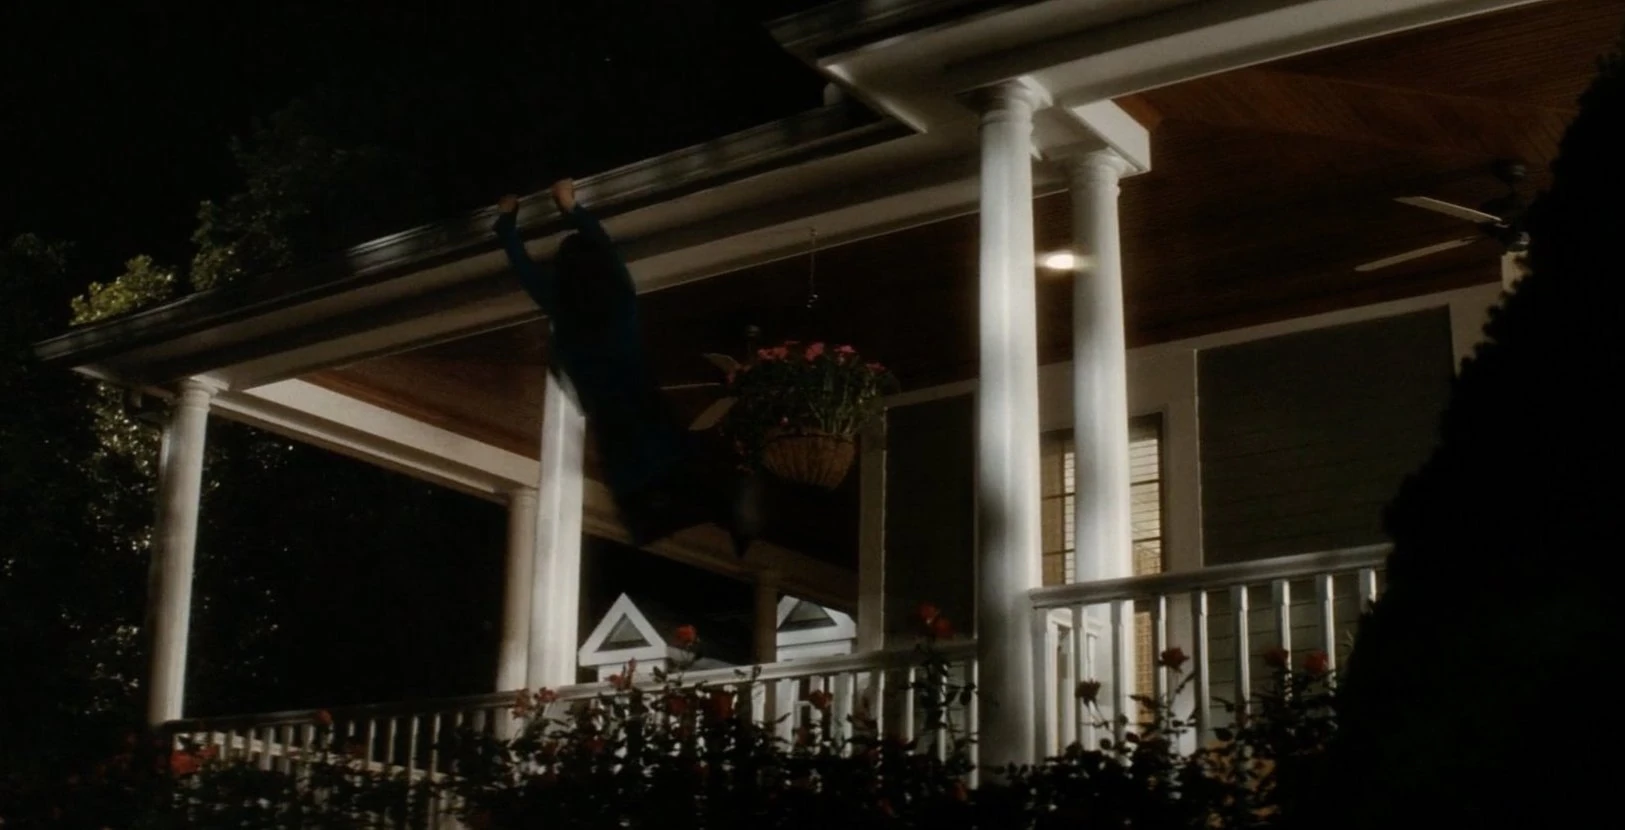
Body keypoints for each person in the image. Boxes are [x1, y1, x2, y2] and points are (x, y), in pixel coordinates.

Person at [493, 180, 760, 555]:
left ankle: (725, 506)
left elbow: (524, 268)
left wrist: (507, 222)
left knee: (645, 509)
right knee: (663, 486)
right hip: (640, 405)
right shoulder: (619, 296)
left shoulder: (564, 307)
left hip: (616, 420)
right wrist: (569, 207)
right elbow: (601, 246)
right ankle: (727, 506)